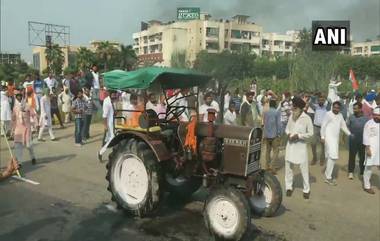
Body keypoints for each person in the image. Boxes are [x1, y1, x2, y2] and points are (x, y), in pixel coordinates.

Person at [284, 97, 314, 199]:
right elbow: (287, 129)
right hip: (290, 145)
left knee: (304, 169)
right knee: (288, 167)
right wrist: (288, 134)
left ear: (300, 108)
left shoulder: (307, 118)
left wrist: (299, 136)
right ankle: (288, 187)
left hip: (300, 147)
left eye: (295, 107)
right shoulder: (291, 116)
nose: (292, 108)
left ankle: (306, 189)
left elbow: (311, 133)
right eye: (293, 106)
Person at [321, 101, 352, 185]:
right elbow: (323, 126)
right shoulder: (328, 114)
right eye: (334, 107)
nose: (336, 109)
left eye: (338, 108)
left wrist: (349, 134)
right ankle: (328, 177)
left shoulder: (340, 115)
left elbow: (343, 126)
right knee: (333, 156)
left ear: (340, 108)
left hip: (335, 139)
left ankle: (328, 174)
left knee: (330, 156)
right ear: (332, 107)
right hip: (328, 138)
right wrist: (322, 137)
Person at [12, 89, 38, 164]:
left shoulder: (27, 105)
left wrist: (36, 125)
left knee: (29, 145)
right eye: (17, 96)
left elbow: (34, 115)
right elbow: (13, 119)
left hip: (27, 128)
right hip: (18, 129)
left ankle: (33, 157)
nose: (19, 98)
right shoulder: (15, 107)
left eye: (20, 96)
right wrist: (12, 130)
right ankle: (19, 162)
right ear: (15, 97)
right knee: (18, 146)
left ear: (22, 96)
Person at [347, 102, 368, 179]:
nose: (354, 110)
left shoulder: (366, 118)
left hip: (362, 141)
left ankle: (362, 172)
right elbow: (347, 127)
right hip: (353, 141)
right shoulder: (351, 117)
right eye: (353, 108)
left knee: (362, 157)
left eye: (356, 108)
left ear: (360, 109)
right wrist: (347, 135)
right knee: (352, 156)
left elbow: (368, 130)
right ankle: (351, 172)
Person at [362, 107, 380, 194]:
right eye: (375, 115)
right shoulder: (369, 123)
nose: (377, 117)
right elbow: (365, 136)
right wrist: (368, 148)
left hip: (379, 148)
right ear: (373, 115)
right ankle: (367, 186)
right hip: (371, 148)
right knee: (368, 167)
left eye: (378, 115)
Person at [263, 99, 282, 174]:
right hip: (274, 135)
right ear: (275, 105)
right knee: (276, 151)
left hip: (267, 134)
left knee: (268, 151)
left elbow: (264, 122)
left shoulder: (266, 112)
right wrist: (279, 133)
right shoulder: (277, 112)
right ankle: (272, 166)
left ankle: (266, 166)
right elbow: (279, 124)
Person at [310, 94, 328, 165]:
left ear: (324, 101)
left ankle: (322, 159)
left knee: (323, 144)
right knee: (313, 143)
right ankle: (314, 158)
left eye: (322, 100)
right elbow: (310, 102)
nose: (321, 101)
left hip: (323, 128)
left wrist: (326, 97)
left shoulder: (327, 107)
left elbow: (330, 101)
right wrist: (314, 95)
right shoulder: (315, 107)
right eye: (319, 100)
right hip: (315, 127)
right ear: (317, 101)